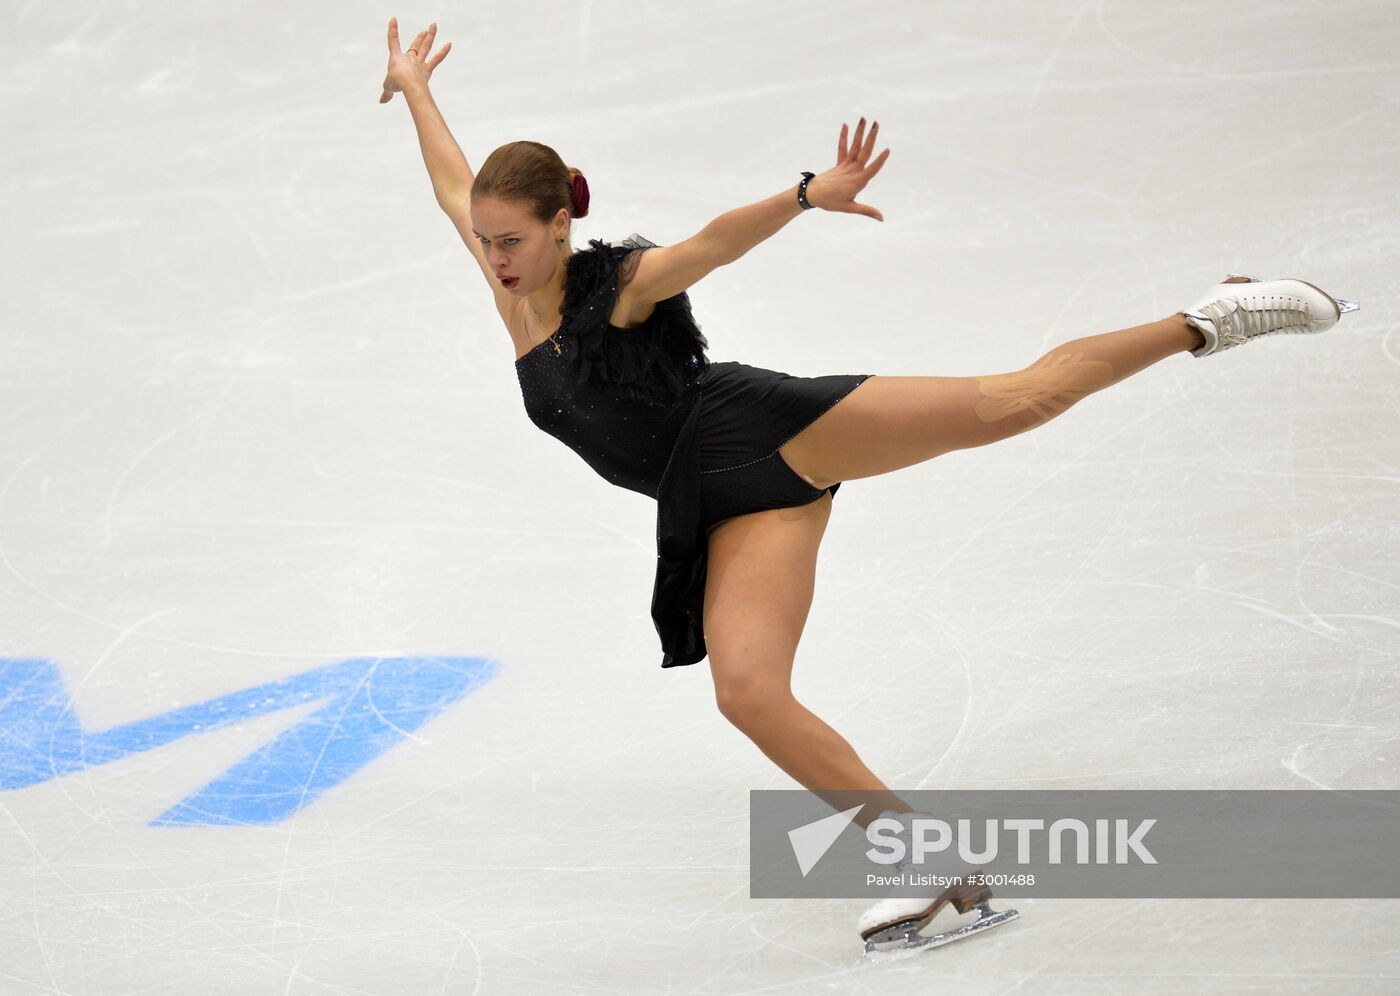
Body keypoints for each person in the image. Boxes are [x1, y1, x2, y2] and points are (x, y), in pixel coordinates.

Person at [378, 19, 1358, 955]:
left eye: (510, 240)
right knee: (748, 694)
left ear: (559, 226)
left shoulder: (619, 289)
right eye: (484, 240)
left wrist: (804, 194)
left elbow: (710, 245)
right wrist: (418, 86)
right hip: (717, 503)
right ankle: (931, 863)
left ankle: (1210, 317)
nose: (492, 257)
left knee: (1020, 400)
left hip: (765, 432)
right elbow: (449, 182)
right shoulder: (500, 268)